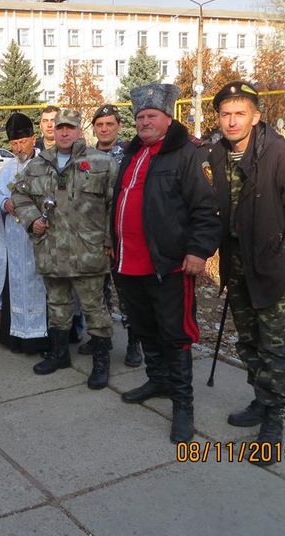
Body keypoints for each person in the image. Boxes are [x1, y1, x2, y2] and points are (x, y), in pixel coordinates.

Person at [208, 81, 285, 463]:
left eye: (240, 113)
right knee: (248, 341)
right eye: (225, 114)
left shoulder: (283, 155)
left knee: (275, 346)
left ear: (256, 117)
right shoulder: (218, 153)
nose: (232, 121)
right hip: (238, 267)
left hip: (271, 269)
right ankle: (261, 400)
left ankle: (274, 420)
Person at [112, 83, 220, 443]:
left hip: (168, 264)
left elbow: (206, 209)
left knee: (175, 334)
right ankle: (157, 380)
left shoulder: (187, 154)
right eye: (140, 116)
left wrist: (198, 251)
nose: (144, 122)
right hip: (128, 263)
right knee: (144, 327)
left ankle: (183, 405)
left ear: (167, 118)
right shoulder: (131, 153)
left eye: (151, 116)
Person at [12, 108, 118, 388]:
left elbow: (114, 206)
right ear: (53, 130)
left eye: (70, 127)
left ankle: (100, 361)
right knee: (57, 305)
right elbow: (18, 195)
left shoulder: (101, 163)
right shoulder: (37, 165)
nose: (64, 132)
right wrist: (32, 219)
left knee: (95, 308)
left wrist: (110, 240)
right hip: (51, 249)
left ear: (80, 130)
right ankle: (60, 354)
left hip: (88, 250)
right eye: (60, 128)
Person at [76, 104, 142, 368]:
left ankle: (134, 343)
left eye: (110, 124)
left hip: (121, 237)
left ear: (118, 126)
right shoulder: (85, 158)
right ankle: (98, 337)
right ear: (94, 128)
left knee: (126, 293)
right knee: (95, 293)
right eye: (100, 125)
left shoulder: (129, 155)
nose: (104, 129)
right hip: (92, 238)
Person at [0, 113, 48, 353]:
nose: (18, 147)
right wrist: (4, 204)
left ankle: (41, 339)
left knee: (39, 282)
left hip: (38, 238)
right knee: (17, 281)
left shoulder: (45, 165)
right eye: (13, 144)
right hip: (14, 238)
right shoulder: (8, 168)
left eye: (22, 142)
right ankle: (15, 337)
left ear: (33, 139)